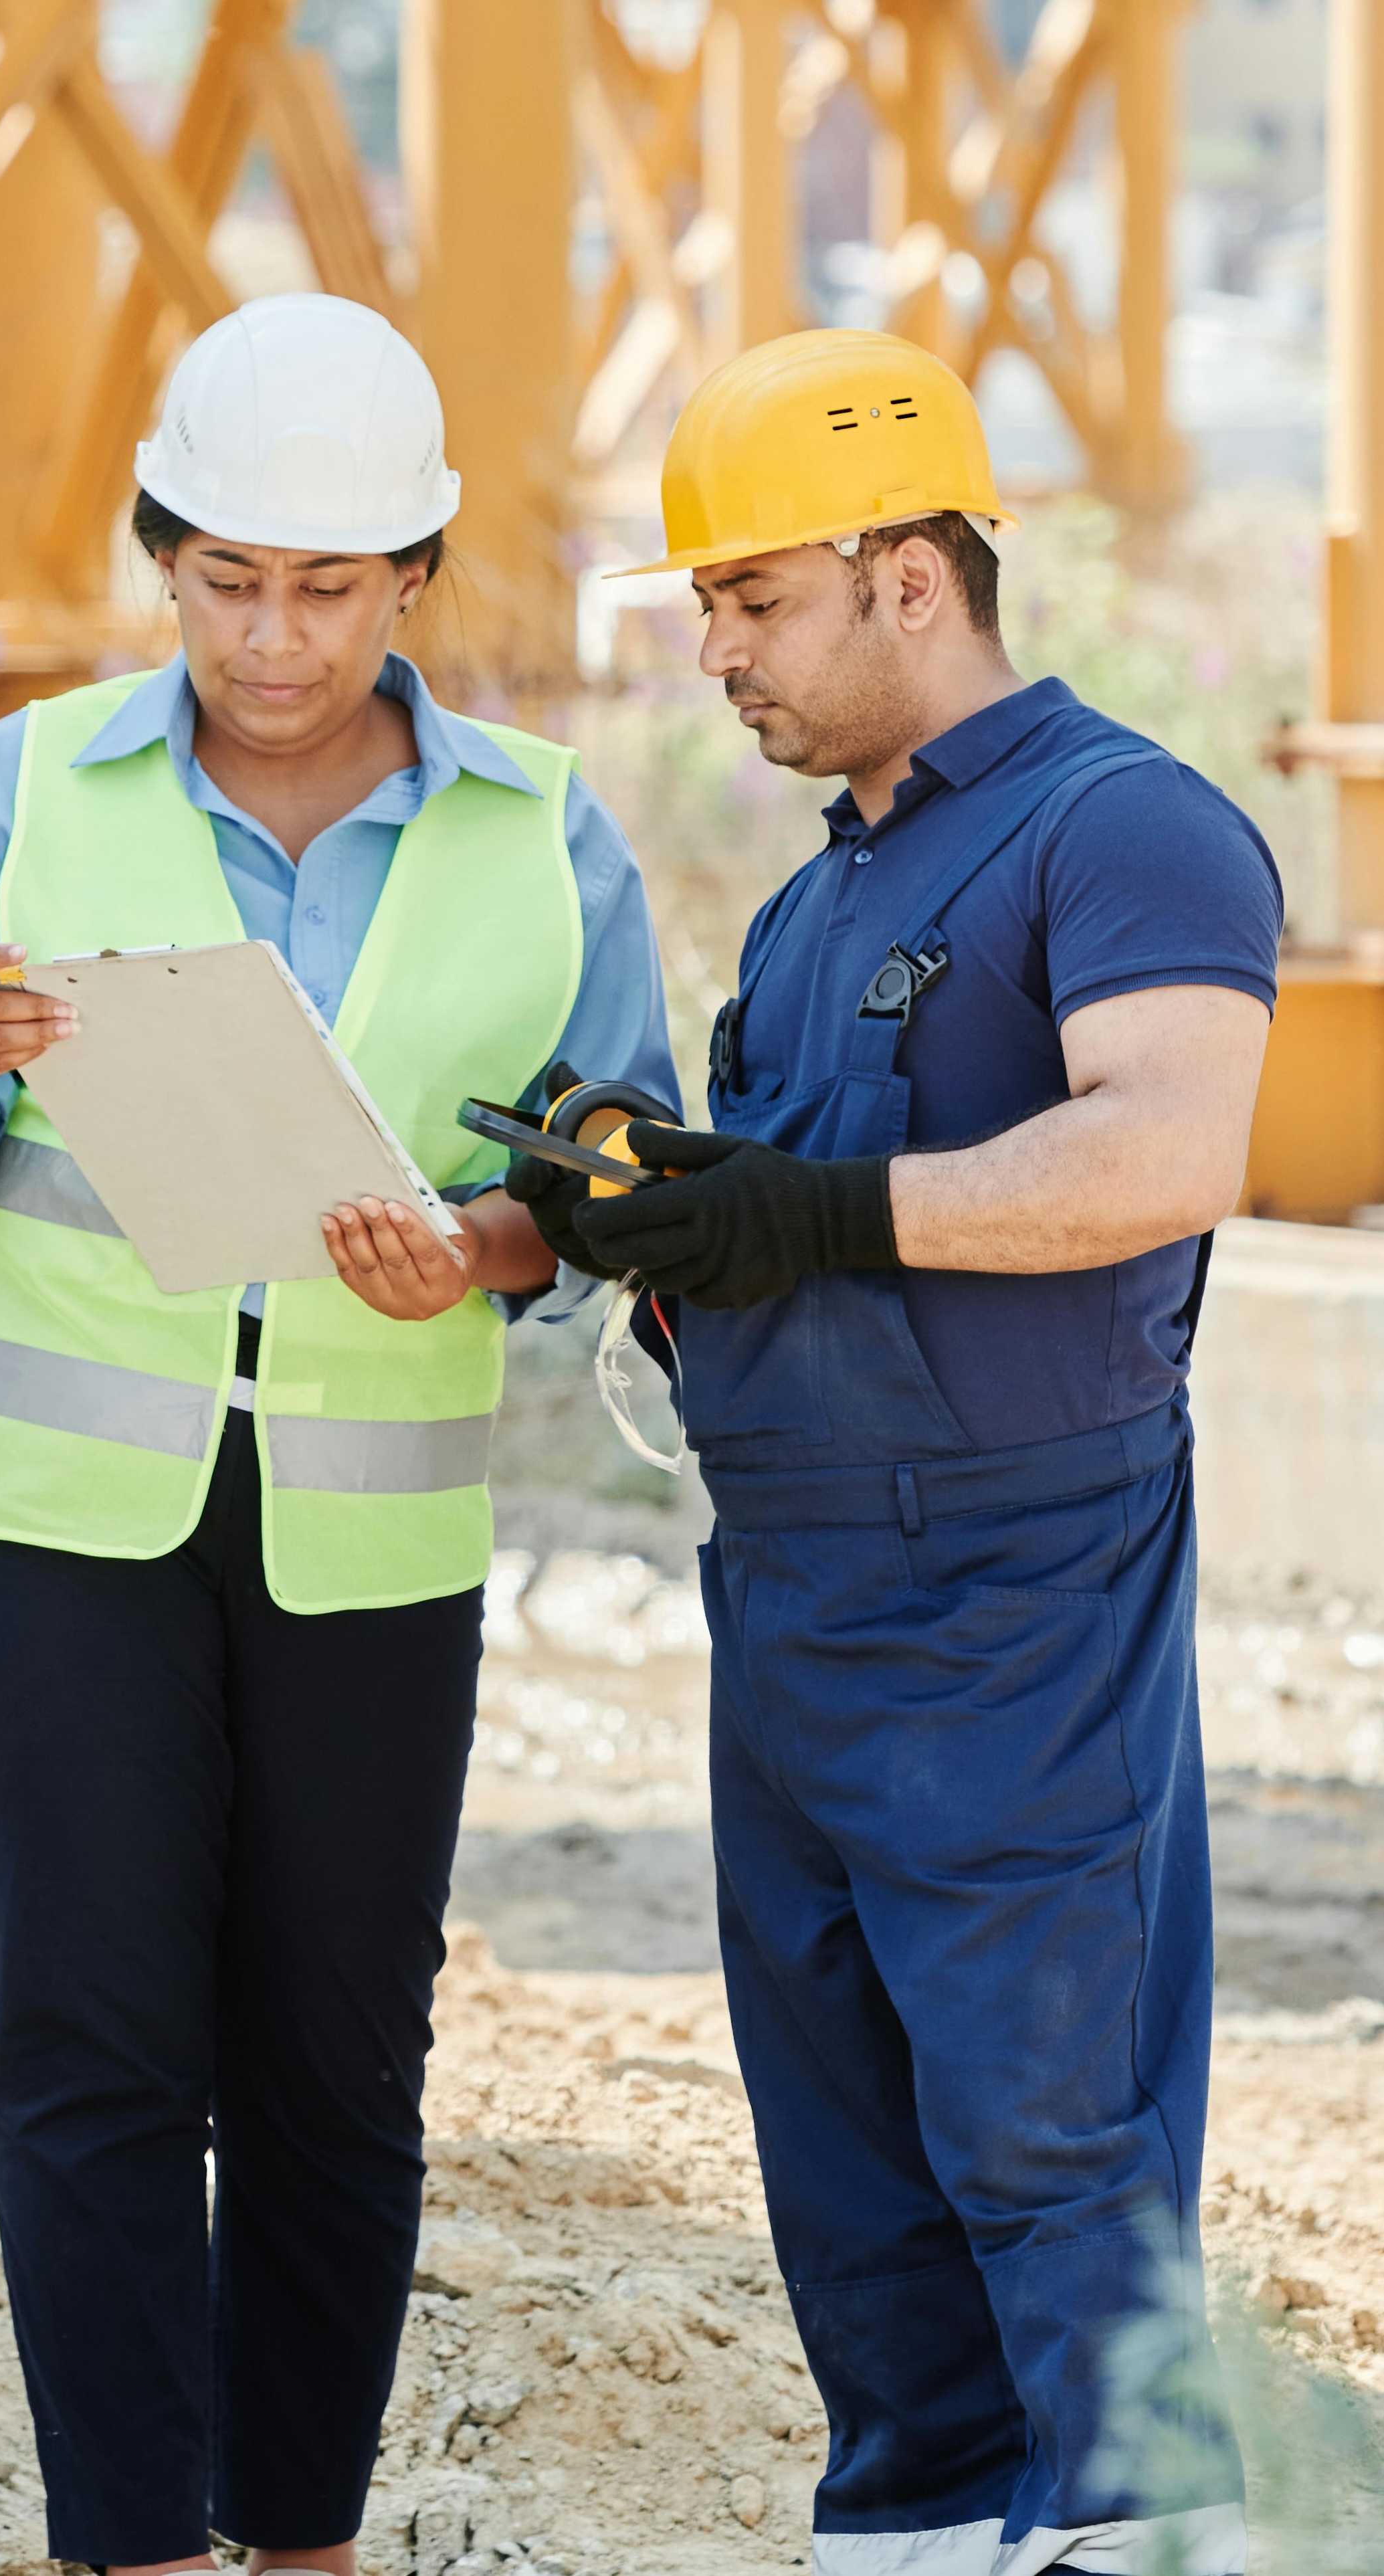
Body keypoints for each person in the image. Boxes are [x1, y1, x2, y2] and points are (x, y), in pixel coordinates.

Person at [0, 292, 678, 2576]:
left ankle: (300, 2543)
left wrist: (487, 1244)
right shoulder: (25, 789)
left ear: (414, 578)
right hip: (41, 1525)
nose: (271, 641)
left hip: (365, 1543)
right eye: (223, 583)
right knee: (96, 2043)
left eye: (324, 589)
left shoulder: (545, 834)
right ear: (163, 560)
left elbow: (619, 1181)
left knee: (331, 2066)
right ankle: (136, 2546)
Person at [516, 328, 1278, 2576]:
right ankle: (918, 2534)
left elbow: (1165, 1148)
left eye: (751, 598)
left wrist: (813, 1208)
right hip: (794, 1590)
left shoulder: (1121, 826)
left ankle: (1148, 2534)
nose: (715, 653)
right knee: (847, 2161)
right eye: (705, 607)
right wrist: (658, 1221)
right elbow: (796, 1235)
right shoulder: (814, 902)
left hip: (1013, 1585)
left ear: (909, 572)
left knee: (1049, 2135)